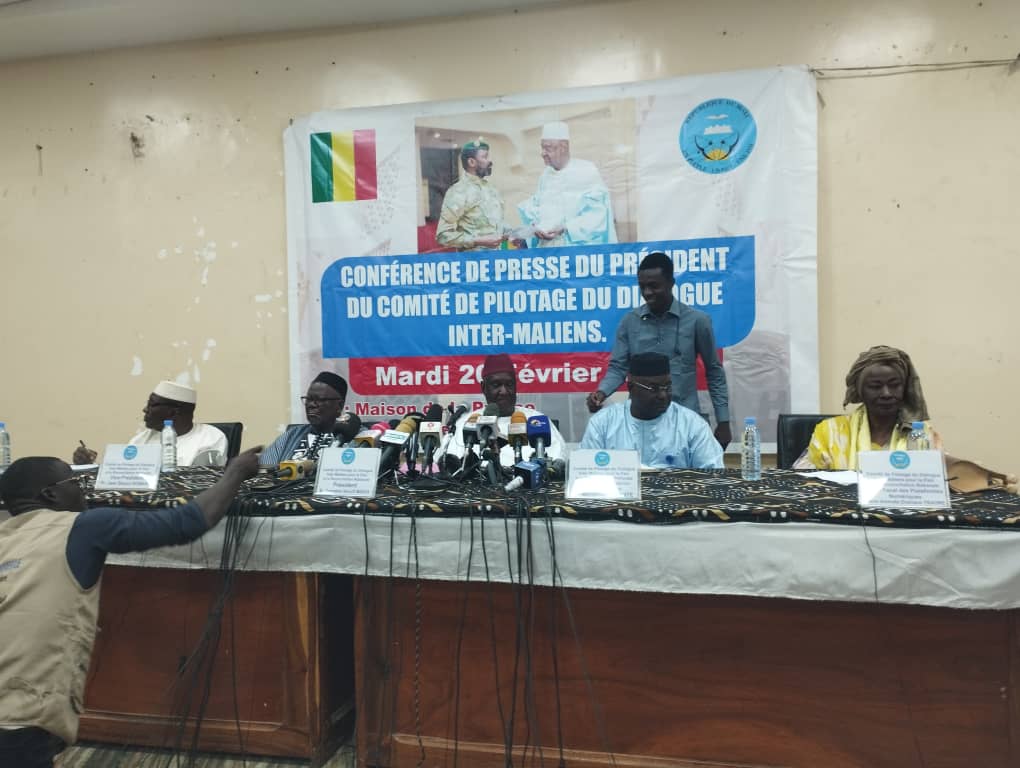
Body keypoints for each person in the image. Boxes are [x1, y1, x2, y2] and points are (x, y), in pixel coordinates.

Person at [0, 447, 262, 767]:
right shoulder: (84, 526)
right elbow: (188, 521)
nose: (84, 491)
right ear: (50, 495)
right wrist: (236, 472)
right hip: (22, 719)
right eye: (76, 483)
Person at [587, 251, 731, 447]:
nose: (647, 292)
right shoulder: (629, 322)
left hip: (685, 424)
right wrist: (601, 393)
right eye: (642, 287)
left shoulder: (698, 321)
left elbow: (714, 372)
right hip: (640, 425)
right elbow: (618, 368)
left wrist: (723, 421)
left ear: (671, 283)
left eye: (654, 286)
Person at [793, 345, 943, 471]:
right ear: (860, 391)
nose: (886, 393)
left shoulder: (921, 434)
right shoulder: (830, 433)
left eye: (894, 385)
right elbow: (804, 484)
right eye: (875, 386)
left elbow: (939, 483)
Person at [580, 353, 723, 469]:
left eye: (667, 387)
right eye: (653, 388)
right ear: (631, 388)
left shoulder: (692, 425)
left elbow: (712, 475)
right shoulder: (603, 423)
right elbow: (586, 475)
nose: (663, 395)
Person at [440, 353, 566, 467]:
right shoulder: (466, 423)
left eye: (509, 384)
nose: (504, 391)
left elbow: (557, 464)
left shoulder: (537, 421)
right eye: (496, 385)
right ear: (484, 387)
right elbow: (448, 467)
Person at [72, 381, 228, 467]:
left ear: (173, 412)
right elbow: (122, 480)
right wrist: (90, 465)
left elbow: (204, 484)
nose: (145, 409)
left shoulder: (210, 438)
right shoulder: (141, 439)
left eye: (151, 405)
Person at [517, 121, 617, 248]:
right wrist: (535, 227)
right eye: (542, 148)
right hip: (547, 250)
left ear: (563, 147)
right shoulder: (546, 175)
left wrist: (565, 228)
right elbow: (536, 207)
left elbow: (597, 216)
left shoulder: (586, 171)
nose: (542, 153)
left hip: (575, 251)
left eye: (547, 148)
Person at [435, 139, 511, 251]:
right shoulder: (458, 191)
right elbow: (443, 235)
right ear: (471, 162)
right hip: (472, 260)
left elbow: (493, 224)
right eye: (485, 157)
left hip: (496, 258)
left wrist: (509, 232)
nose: (490, 161)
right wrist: (477, 241)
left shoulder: (491, 189)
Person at [260, 371, 348, 465]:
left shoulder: (350, 439)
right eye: (309, 399)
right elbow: (265, 468)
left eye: (319, 400)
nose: (311, 405)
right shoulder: (292, 435)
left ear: (339, 406)